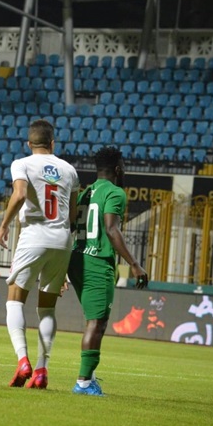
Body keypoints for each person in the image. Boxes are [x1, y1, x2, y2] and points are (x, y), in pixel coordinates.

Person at [0, 119, 79, 389]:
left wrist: (4, 225)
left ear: (29, 144)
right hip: (62, 239)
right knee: (47, 308)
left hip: (34, 236)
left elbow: (19, 195)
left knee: (14, 300)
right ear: (53, 143)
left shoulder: (22, 164)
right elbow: (73, 214)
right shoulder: (69, 170)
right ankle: (42, 370)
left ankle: (23, 361)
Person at [68, 146, 148, 396]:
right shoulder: (115, 192)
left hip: (77, 259)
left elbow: (71, 224)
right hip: (97, 261)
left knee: (92, 320)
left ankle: (89, 377)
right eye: (123, 166)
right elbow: (112, 229)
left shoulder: (86, 192)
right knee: (98, 323)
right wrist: (134, 264)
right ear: (117, 169)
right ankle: (83, 383)